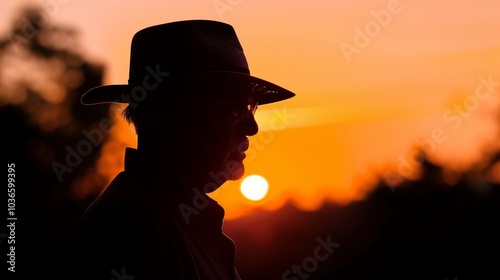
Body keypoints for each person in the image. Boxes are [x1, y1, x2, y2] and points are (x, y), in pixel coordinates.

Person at [60, 20, 295, 280]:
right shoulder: (138, 225)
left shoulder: (175, 219)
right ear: (173, 113)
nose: (251, 127)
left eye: (250, 106)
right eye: (235, 109)